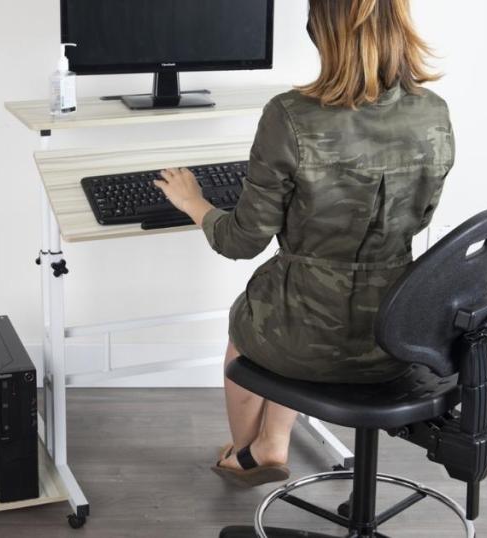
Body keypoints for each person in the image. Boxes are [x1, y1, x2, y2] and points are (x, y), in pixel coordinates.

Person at [153, 0, 455, 487]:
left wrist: (194, 202)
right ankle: (272, 442)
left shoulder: (291, 116)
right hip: (397, 335)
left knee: (249, 333)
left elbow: (241, 240)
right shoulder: (434, 114)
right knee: (293, 310)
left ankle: (247, 455)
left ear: (325, 32)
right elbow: (420, 216)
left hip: (307, 335)